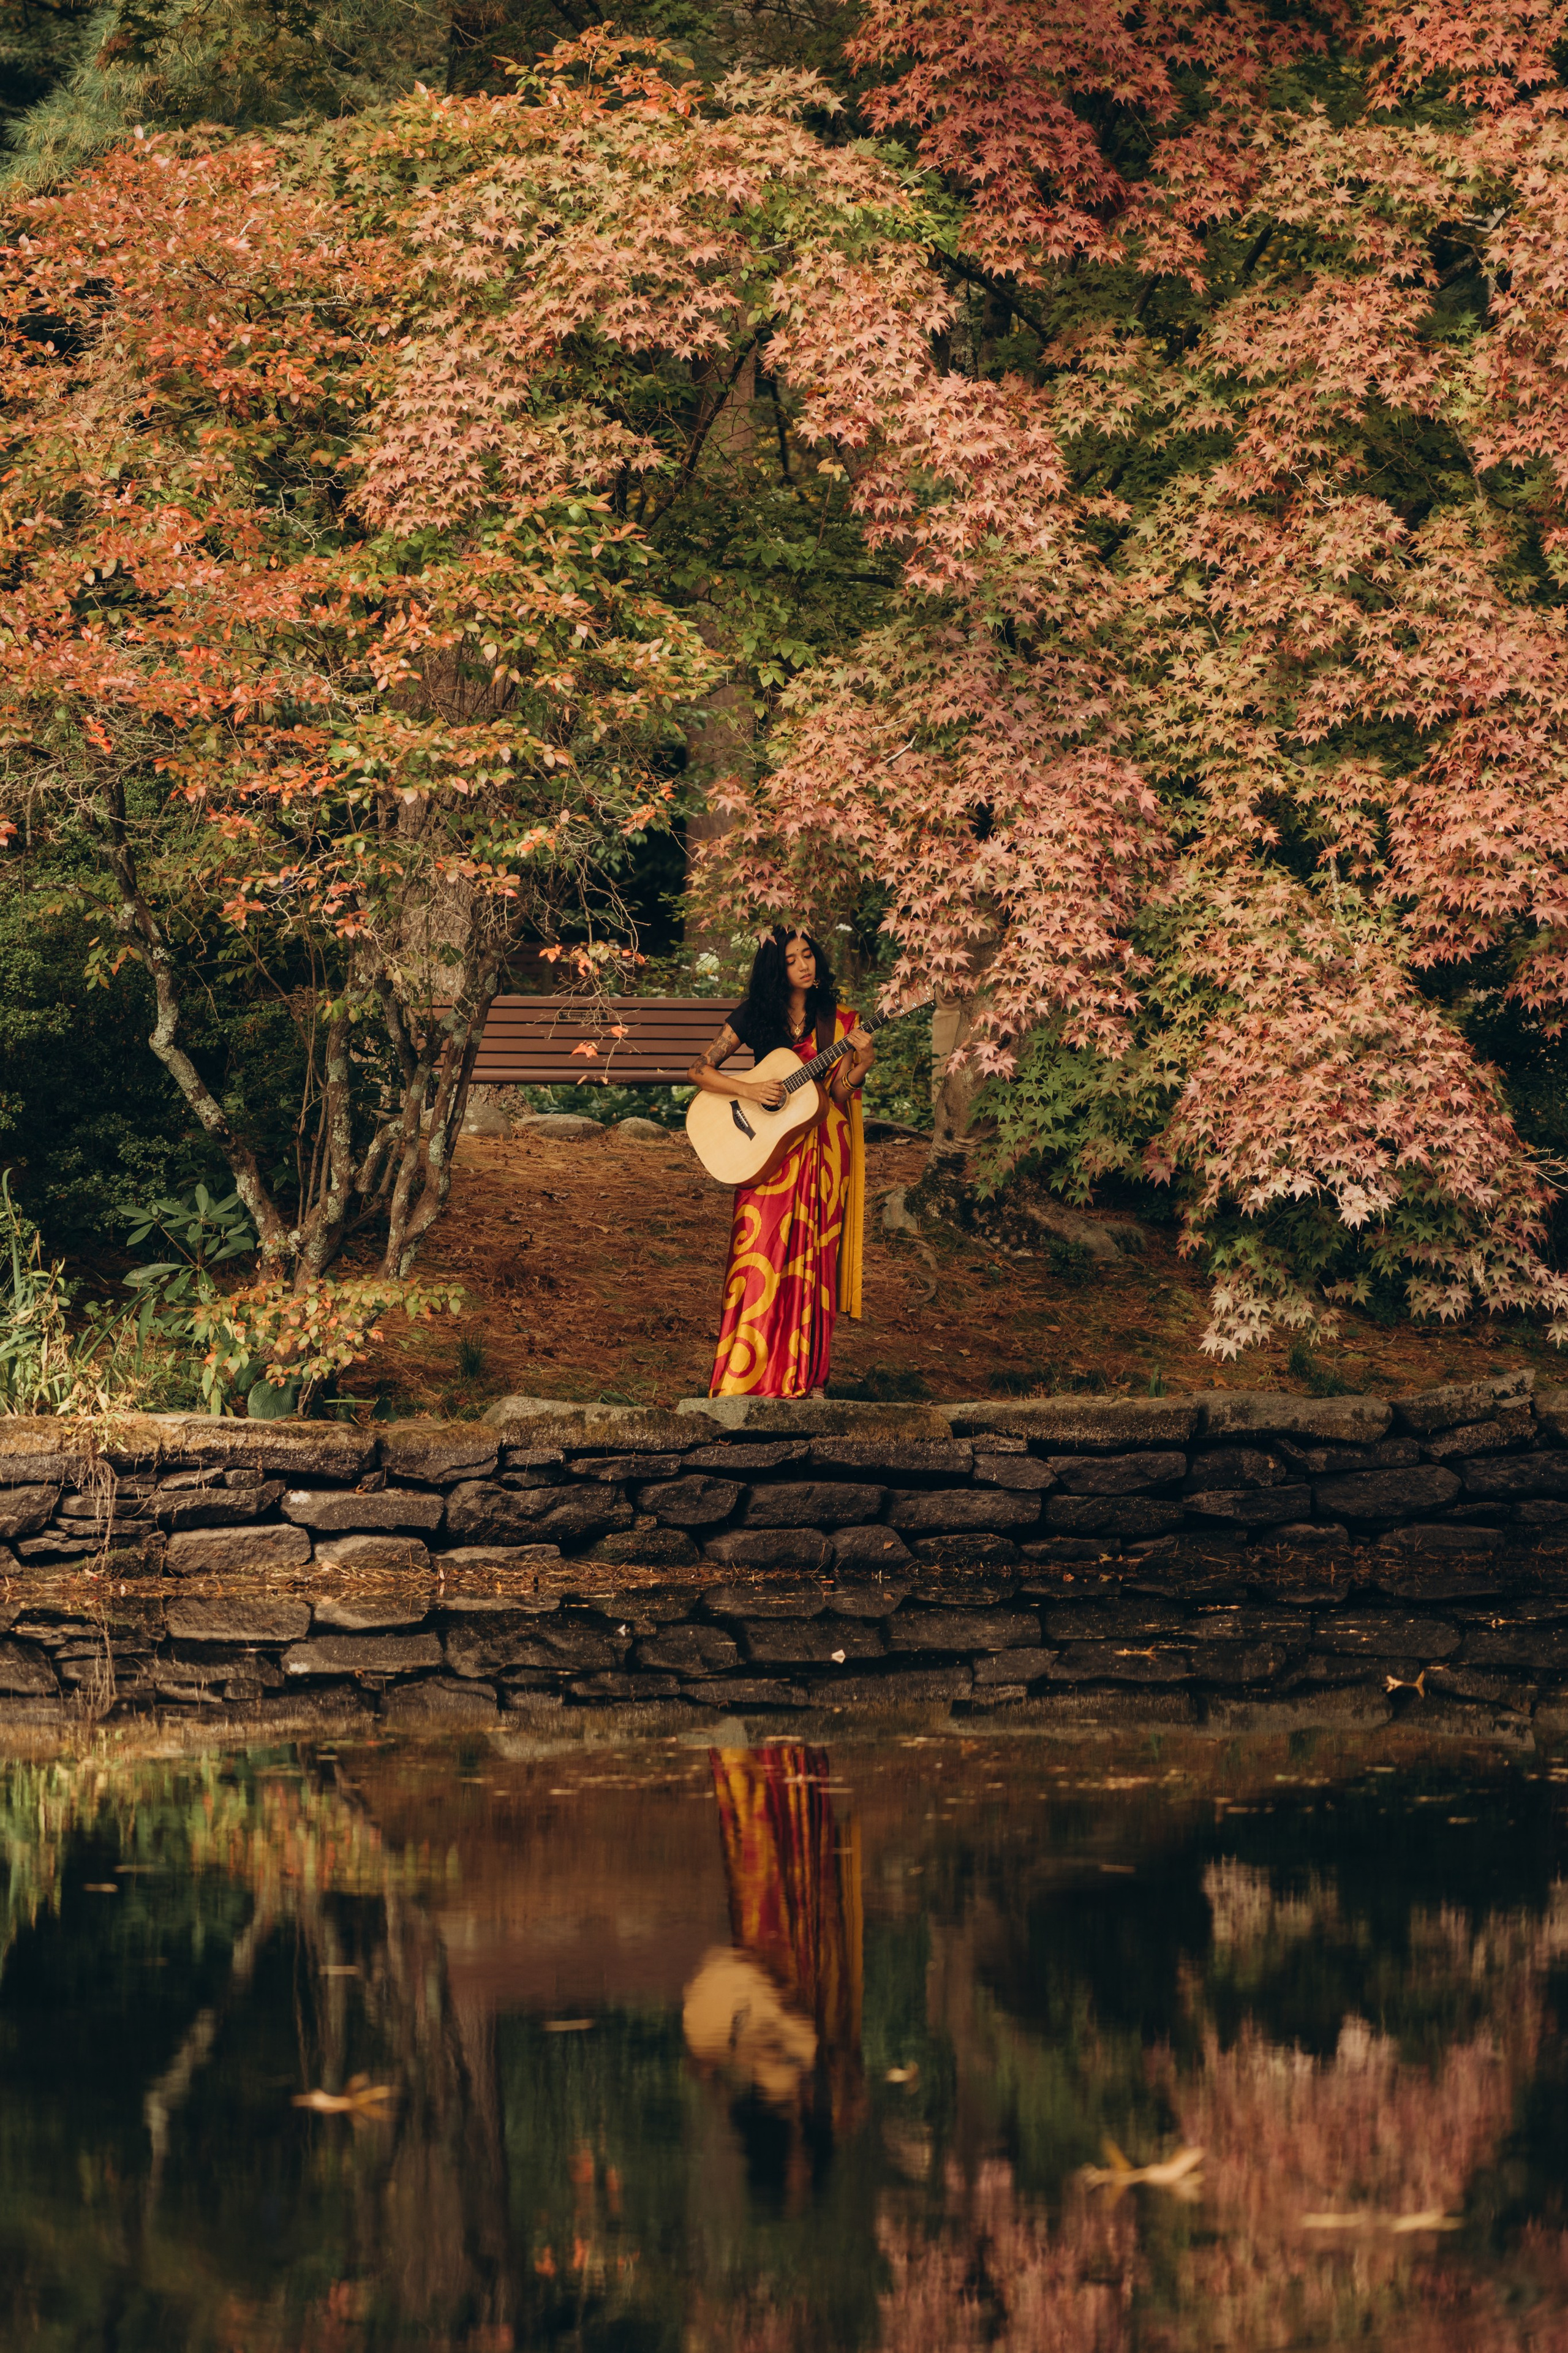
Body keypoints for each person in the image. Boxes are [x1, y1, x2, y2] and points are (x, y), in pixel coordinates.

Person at [687, 927, 875, 1399]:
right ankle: (744, 1378)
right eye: (793, 960)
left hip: (821, 1153)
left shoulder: (838, 1019)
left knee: (814, 1260)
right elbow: (699, 1070)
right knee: (758, 1256)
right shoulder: (756, 1014)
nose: (804, 966)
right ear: (777, 970)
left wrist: (861, 1066)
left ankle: (808, 1379)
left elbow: (833, 1096)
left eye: (808, 955)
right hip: (763, 1155)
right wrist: (749, 1090)